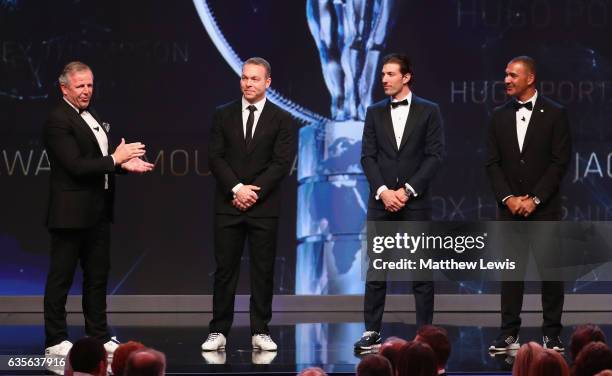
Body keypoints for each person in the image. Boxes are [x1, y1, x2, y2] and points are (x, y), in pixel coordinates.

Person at [43, 61, 154, 357]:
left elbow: (100, 162)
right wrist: (115, 159)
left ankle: (100, 335)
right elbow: (76, 167)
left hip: (97, 212)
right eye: (80, 86)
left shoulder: (92, 115)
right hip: (70, 214)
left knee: (97, 277)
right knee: (61, 279)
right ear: (64, 88)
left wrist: (122, 166)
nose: (86, 91)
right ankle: (56, 339)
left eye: (90, 85)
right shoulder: (58, 119)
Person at [202, 57, 297, 352]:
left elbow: (281, 163)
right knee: (225, 270)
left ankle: (260, 330)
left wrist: (253, 192)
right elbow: (215, 157)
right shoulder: (223, 114)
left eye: (254, 79)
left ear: (267, 82)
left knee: (263, 270)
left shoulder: (282, 119)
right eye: (244, 78)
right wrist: (237, 188)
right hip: (228, 204)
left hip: (263, 206)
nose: (248, 83)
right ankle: (218, 331)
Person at [355, 53, 445, 351]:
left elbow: (434, 156)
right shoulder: (373, 111)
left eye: (390, 74)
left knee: (421, 270)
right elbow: (367, 156)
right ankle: (371, 331)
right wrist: (383, 191)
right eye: (383, 74)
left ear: (406, 77)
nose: (384, 79)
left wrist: (406, 191)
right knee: (376, 269)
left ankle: (424, 334)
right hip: (381, 203)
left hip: (414, 203)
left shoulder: (429, 111)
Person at [486, 55, 571, 353]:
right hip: (509, 212)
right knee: (511, 275)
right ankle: (508, 334)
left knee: (550, 274)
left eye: (512, 75)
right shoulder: (498, 116)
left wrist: (535, 199)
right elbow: (492, 163)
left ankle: (552, 334)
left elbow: (559, 162)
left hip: (544, 210)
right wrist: (509, 199)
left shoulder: (556, 114)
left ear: (530, 78)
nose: (506, 80)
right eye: (505, 75)